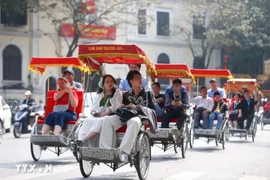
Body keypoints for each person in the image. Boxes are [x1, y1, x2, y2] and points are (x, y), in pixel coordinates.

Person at [99, 70, 155, 162]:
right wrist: (122, 106)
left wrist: (137, 107)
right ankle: (106, 150)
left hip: (140, 118)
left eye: (140, 77)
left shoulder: (147, 94)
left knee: (134, 122)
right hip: (125, 115)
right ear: (131, 81)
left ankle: (123, 152)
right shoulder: (126, 95)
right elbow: (119, 108)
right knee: (107, 120)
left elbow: (152, 110)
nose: (140, 80)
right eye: (137, 78)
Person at [77, 74, 122, 145]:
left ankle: (84, 139)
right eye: (107, 82)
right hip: (99, 115)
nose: (110, 83)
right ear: (103, 84)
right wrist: (94, 112)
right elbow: (93, 108)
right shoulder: (99, 94)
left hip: (111, 115)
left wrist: (106, 113)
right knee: (87, 120)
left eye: (111, 81)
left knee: (102, 120)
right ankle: (83, 141)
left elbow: (116, 106)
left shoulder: (117, 92)